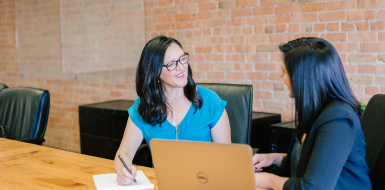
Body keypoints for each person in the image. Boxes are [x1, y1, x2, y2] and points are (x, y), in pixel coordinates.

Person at [253, 38, 372, 190]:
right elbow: (314, 162)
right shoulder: (316, 111)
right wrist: (275, 158)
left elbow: (313, 187)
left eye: (284, 71)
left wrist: (268, 181)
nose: (280, 76)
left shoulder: (338, 120)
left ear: (304, 77)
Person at [114, 35, 231, 185]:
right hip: (162, 184)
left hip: (205, 183)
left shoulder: (210, 101)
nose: (181, 67)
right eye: (171, 64)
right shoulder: (143, 107)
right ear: (155, 72)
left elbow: (226, 158)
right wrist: (123, 171)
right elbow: (123, 153)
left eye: (183, 59)